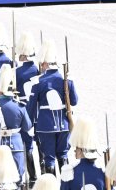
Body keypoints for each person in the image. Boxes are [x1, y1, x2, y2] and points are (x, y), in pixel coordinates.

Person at [26, 42, 75, 172]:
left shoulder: (38, 81)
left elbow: (31, 108)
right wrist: (70, 83)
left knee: (49, 159)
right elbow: (74, 101)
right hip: (63, 126)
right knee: (63, 155)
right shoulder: (66, 81)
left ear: (45, 64)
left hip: (45, 126)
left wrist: (28, 126)